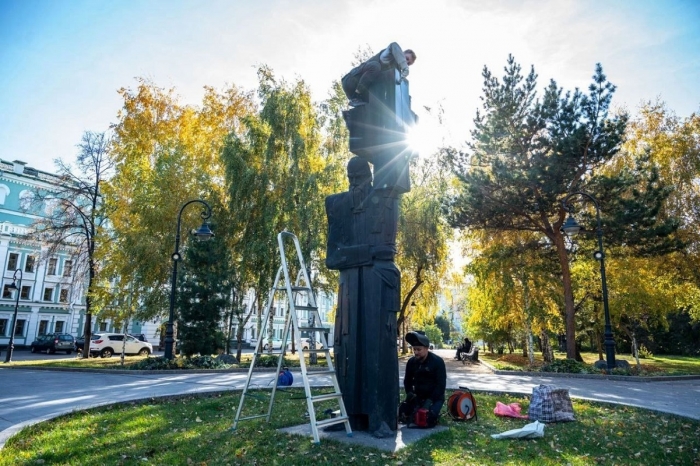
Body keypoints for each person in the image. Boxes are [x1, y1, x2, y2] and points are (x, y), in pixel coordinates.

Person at [342, 42, 416, 107]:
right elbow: (393, 45)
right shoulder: (389, 55)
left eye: (408, 64)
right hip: (351, 81)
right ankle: (356, 96)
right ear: (401, 53)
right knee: (375, 66)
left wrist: (407, 100)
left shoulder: (397, 73)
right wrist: (404, 67)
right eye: (406, 58)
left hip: (363, 93)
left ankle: (358, 99)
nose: (406, 63)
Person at [399, 331, 446, 427]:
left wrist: (430, 401)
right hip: (417, 397)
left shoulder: (438, 362)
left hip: (434, 398)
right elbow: (407, 381)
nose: (416, 352)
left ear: (427, 348)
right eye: (414, 349)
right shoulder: (411, 362)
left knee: (428, 418)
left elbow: (441, 386)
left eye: (419, 350)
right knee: (402, 412)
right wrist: (409, 393)